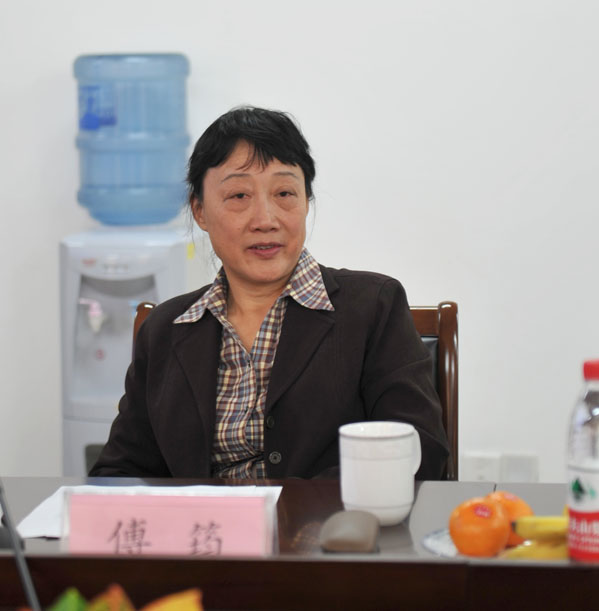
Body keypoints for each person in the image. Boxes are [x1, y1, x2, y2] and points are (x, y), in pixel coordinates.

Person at [90, 106, 449, 480]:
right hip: (202, 520)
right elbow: (119, 471)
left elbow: (419, 449)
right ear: (200, 211)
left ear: (306, 202)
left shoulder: (374, 307)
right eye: (238, 195)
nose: (265, 220)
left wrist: (296, 508)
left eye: (284, 193)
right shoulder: (166, 328)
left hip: (332, 518)